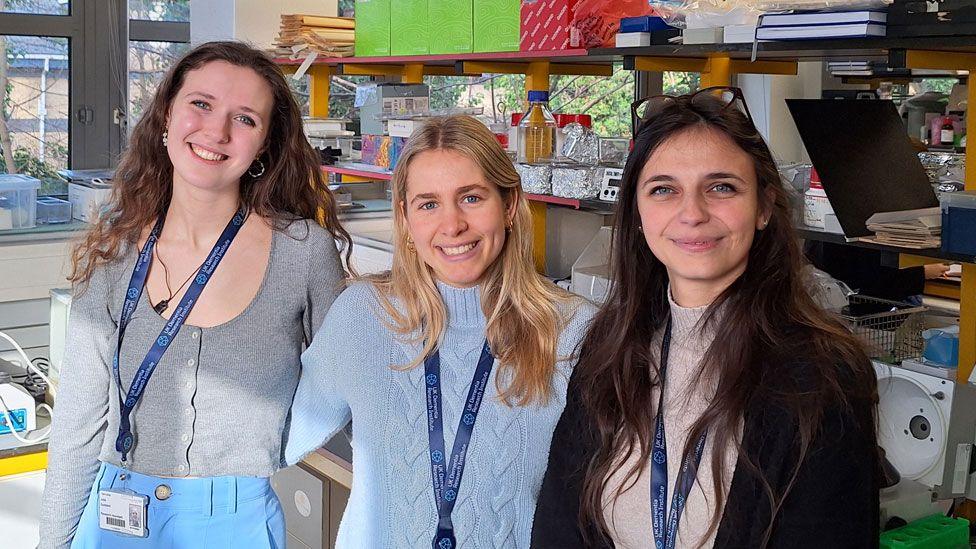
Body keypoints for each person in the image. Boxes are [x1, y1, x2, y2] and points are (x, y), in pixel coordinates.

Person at [532, 88, 879, 548]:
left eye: (721, 187)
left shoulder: (823, 375)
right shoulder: (608, 349)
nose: (692, 213)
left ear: (763, 207)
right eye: (664, 190)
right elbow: (560, 525)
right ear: (636, 212)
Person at [38, 41, 349, 549]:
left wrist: (271, 446)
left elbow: (344, 384)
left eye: (245, 119)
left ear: (265, 145)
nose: (217, 131)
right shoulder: (115, 249)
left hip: (234, 521)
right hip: (116, 512)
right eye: (200, 104)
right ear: (166, 117)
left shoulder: (303, 253)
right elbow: (78, 422)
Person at [284, 115, 595, 548]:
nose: (452, 226)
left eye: (470, 198)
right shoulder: (362, 316)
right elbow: (278, 434)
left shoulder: (574, 331)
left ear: (508, 206)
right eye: (428, 204)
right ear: (406, 219)